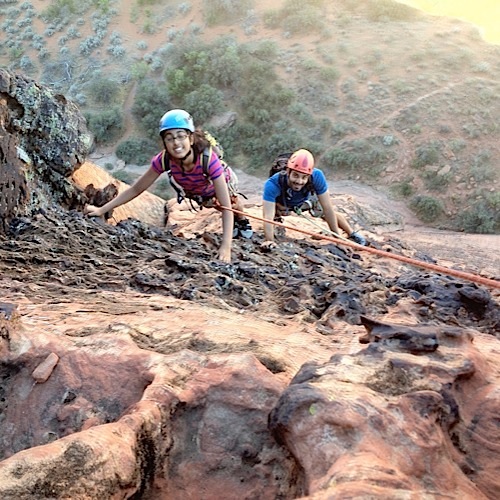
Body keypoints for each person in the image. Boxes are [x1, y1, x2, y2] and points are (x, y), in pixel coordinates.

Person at [84, 109, 253, 263]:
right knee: (215, 205)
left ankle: (243, 222)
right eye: (170, 138)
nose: (176, 143)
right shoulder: (164, 160)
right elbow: (136, 189)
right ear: (164, 142)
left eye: (181, 136)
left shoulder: (208, 161)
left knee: (231, 203)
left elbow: (227, 208)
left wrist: (225, 247)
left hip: (222, 183)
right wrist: (102, 210)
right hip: (198, 192)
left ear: (191, 138)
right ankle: (236, 224)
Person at [261, 148, 367, 247]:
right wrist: (269, 241)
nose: (299, 181)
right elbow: (268, 217)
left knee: (323, 211)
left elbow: (328, 209)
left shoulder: (317, 176)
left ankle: (351, 234)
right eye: (296, 175)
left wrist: (338, 241)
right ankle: (277, 223)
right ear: (288, 172)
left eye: (304, 177)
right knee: (274, 214)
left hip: (305, 200)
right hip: (283, 204)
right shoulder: (273, 184)